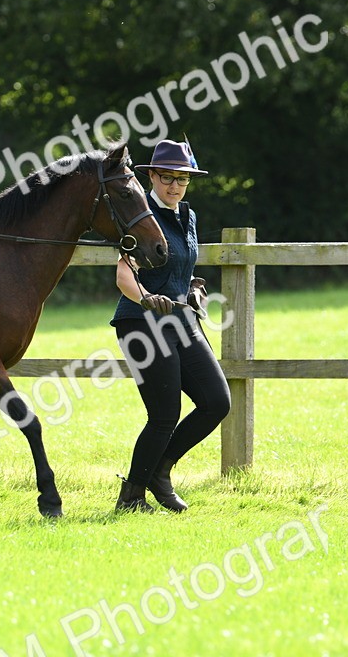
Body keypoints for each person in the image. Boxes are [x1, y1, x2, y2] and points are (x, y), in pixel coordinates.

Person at [110, 139, 230, 513]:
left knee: (216, 401)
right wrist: (146, 297)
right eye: (167, 177)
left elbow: (181, 266)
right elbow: (124, 275)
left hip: (182, 321)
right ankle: (131, 496)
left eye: (182, 179)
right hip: (142, 323)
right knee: (164, 416)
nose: (175, 186)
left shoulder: (188, 216)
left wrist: (192, 286)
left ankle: (160, 471)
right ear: (151, 176)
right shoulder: (140, 214)